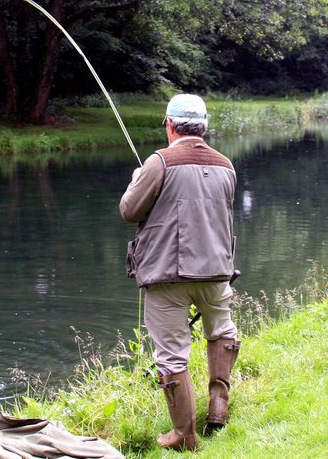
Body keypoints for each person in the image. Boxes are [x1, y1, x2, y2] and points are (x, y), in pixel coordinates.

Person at [119, 94, 240, 452]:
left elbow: (129, 210)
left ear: (170, 125)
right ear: (203, 127)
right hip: (217, 270)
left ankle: (184, 435)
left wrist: (138, 179)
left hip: (168, 275)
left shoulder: (159, 161)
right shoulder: (226, 165)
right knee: (221, 331)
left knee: (171, 355)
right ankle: (218, 405)